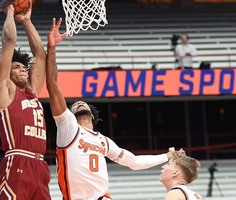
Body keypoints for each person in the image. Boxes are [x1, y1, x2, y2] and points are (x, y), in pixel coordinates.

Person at [46, 18, 183, 200]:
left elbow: (134, 162)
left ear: (93, 115)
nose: (78, 103)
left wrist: (167, 155)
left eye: (82, 102)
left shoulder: (104, 141)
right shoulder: (69, 128)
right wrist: (52, 49)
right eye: (73, 105)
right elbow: (53, 86)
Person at [0, 1, 51, 199]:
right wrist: (10, 11)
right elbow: (9, 41)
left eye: (24, 67)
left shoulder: (32, 92)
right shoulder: (4, 89)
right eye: (16, 67)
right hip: (17, 161)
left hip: (40, 166)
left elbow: (40, 56)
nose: (23, 69)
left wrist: (26, 21)